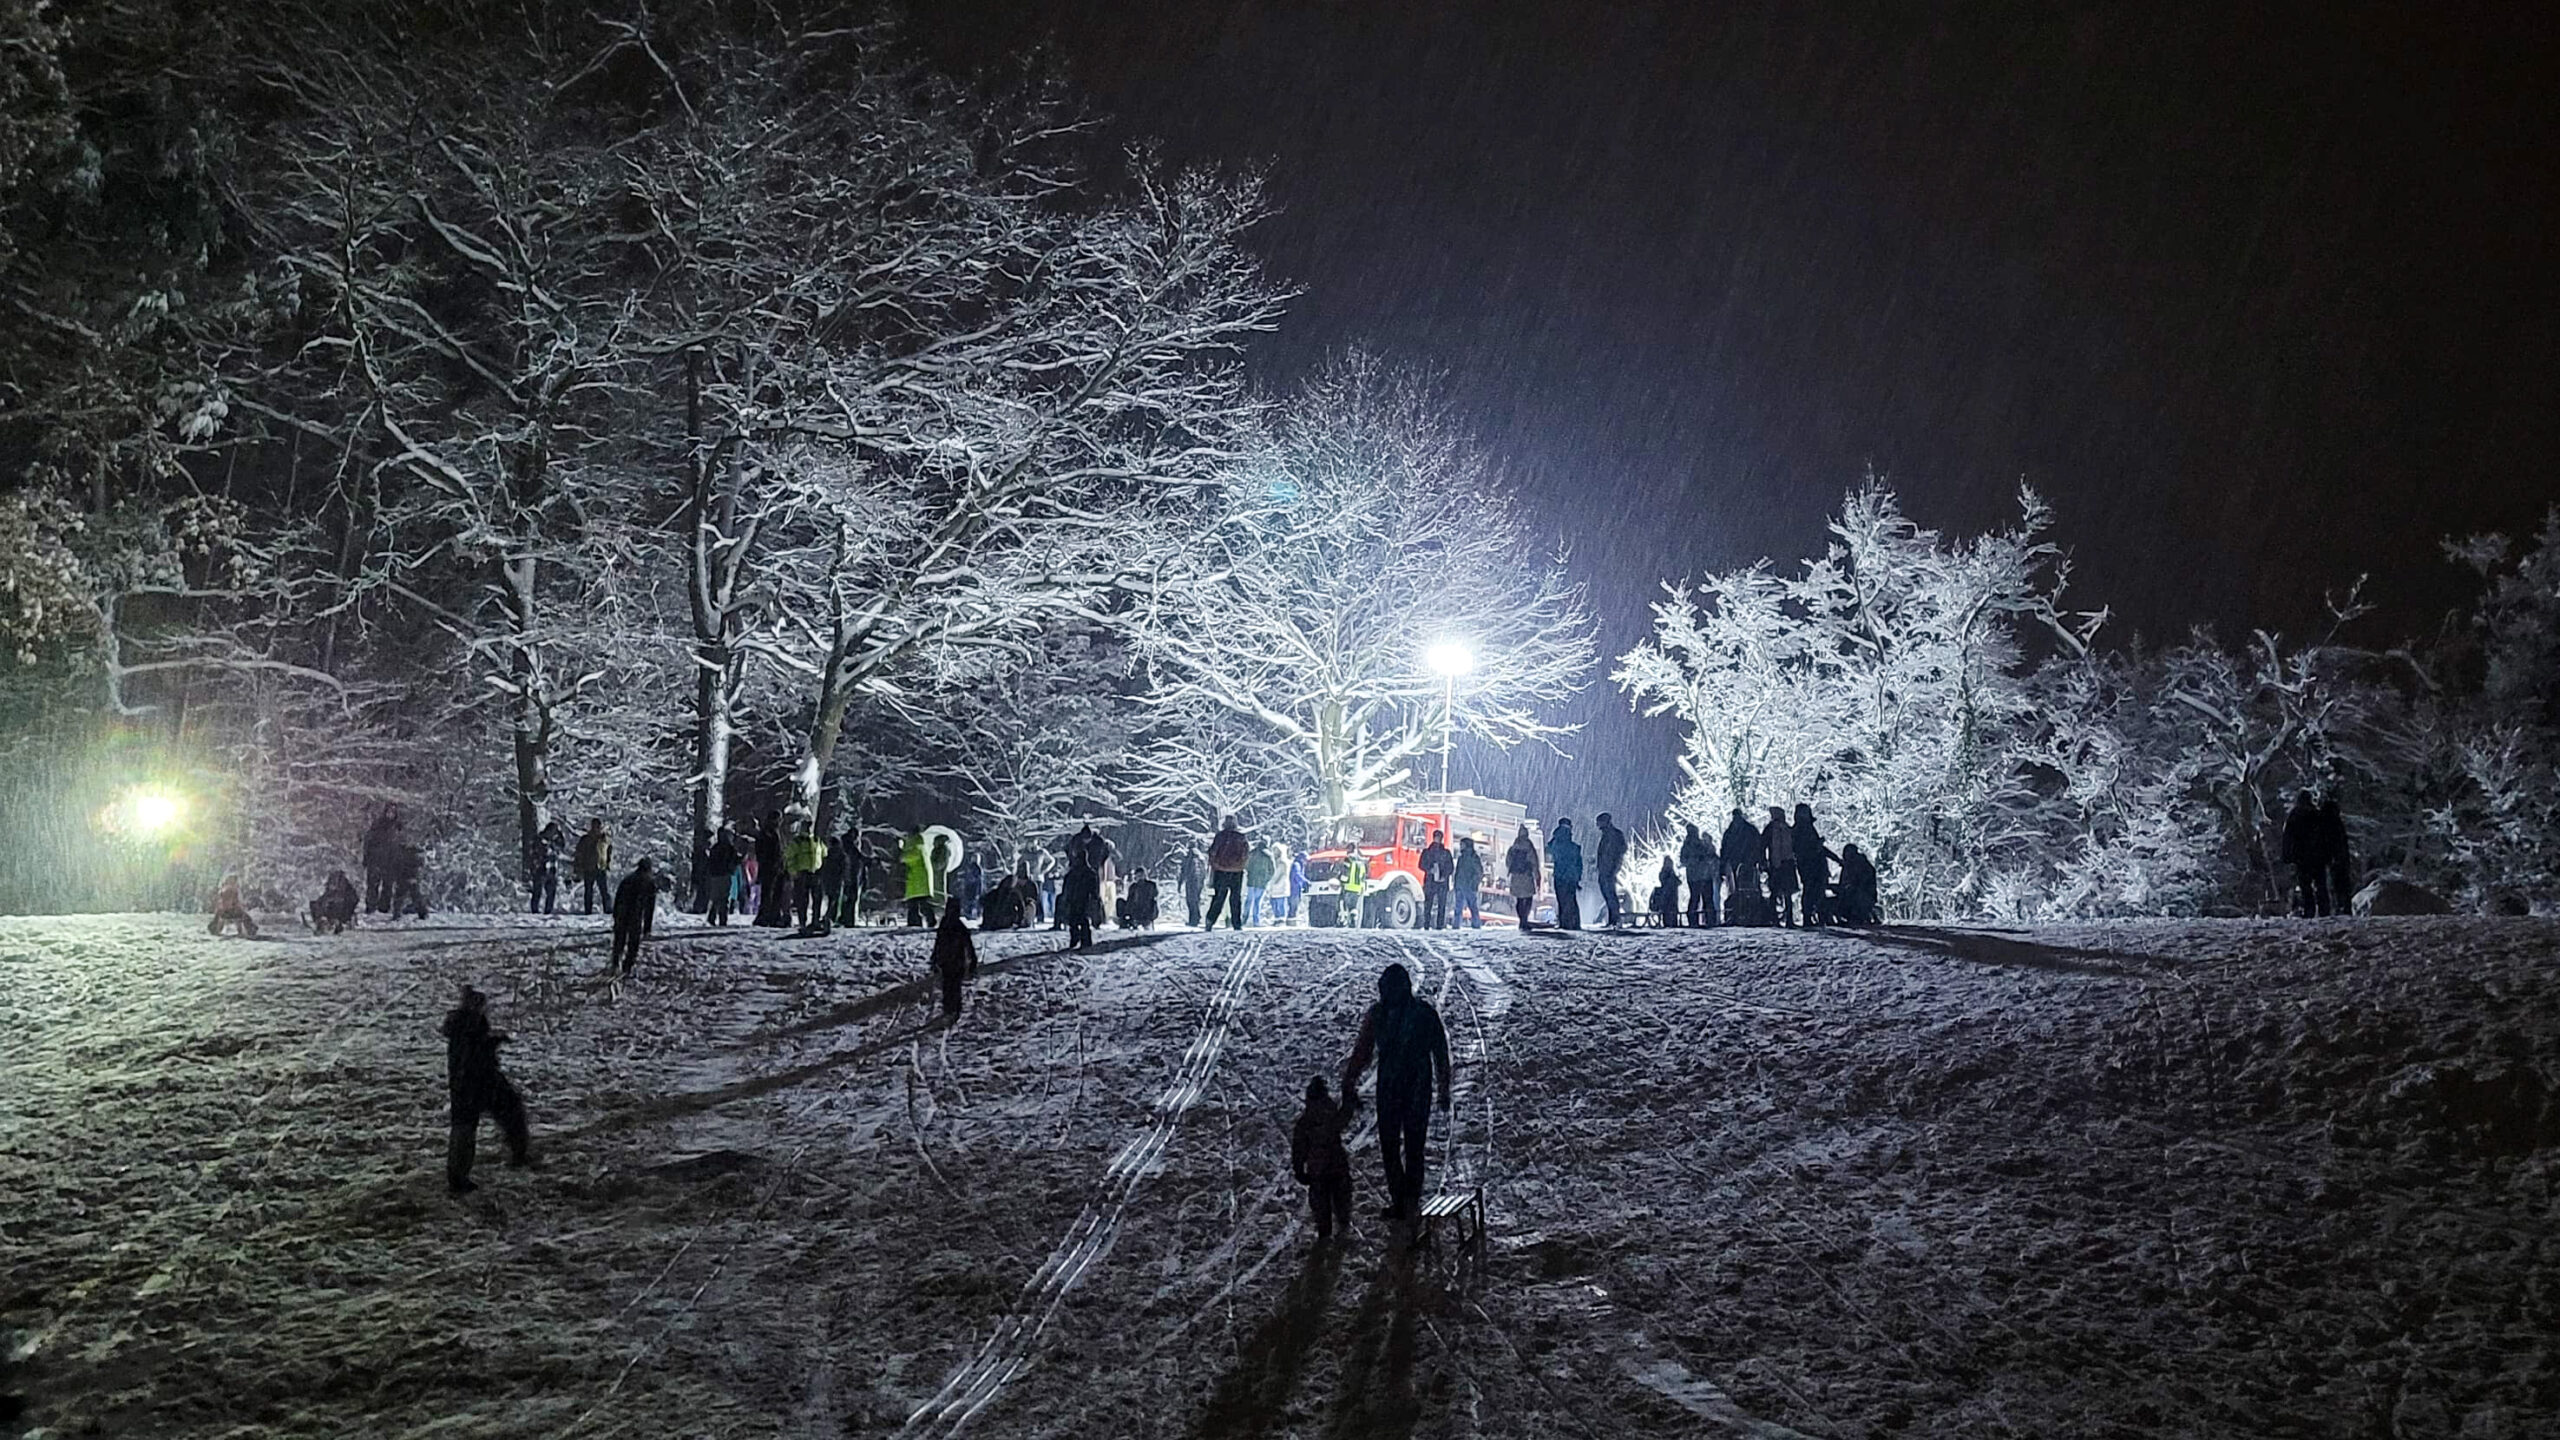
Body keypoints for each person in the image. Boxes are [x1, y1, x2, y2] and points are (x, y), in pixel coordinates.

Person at [1340, 962, 1452, 1226]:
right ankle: (1408, 1200)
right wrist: (1443, 1087)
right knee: (1411, 1147)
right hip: (1415, 1087)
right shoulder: (1423, 1013)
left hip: (1393, 1086)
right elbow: (1440, 1053)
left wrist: (1350, 1079)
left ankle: (1403, 1201)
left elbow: (1363, 1051)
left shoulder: (1380, 1014)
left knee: (1394, 1147)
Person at [442, 985, 529, 1194]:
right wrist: (493, 1042)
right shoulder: (471, 1024)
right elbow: (475, 1054)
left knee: (464, 1130)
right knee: (504, 1114)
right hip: (478, 1082)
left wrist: (492, 1041)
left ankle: (458, 1177)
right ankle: (459, 1179)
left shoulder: (461, 1024)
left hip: (467, 1085)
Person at [1291, 1077, 1359, 1242]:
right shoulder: (1331, 1116)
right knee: (1340, 1200)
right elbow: (1344, 1117)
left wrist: (1299, 1170)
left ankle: (1326, 1232)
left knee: (1323, 1204)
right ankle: (1340, 1228)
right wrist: (1349, 1100)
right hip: (1335, 1166)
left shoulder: (1305, 1124)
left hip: (1319, 1169)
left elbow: (1299, 1149)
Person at [2279, 789, 2330, 917]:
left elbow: (2288, 837)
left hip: (2301, 857)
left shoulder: (2294, 815)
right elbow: (2326, 836)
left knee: (2305, 885)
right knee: (2321, 884)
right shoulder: (2317, 815)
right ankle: (2324, 910)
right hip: (2318, 856)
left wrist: (2287, 856)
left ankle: (2309, 910)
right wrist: (2328, 854)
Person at [932, 896, 977, 1020]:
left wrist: (935, 958)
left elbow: (938, 943)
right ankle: (954, 1009)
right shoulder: (959, 925)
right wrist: (973, 960)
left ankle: (949, 1008)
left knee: (948, 985)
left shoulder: (945, 924)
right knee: (954, 986)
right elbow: (968, 945)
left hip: (947, 960)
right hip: (956, 961)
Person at [611, 858, 658, 974]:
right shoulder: (650, 883)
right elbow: (649, 908)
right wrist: (647, 928)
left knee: (619, 940)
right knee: (633, 943)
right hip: (635, 914)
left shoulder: (627, 879)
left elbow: (617, 898)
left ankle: (615, 963)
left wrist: (615, 916)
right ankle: (627, 966)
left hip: (622, 912)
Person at [1793, 804, 1836, 927]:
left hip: (1815, 865)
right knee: (1811, 890)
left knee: (1816, 890)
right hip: (1809, 865)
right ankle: (1809, 916)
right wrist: (1817, 846)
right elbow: (1804, 849)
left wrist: (1834, 858)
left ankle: (1818, 916)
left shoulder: (1808, 828)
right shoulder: (1800, 830)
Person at [1721, 808, 1764, 926]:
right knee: (1738, 890)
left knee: (1748, 889)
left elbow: (1758, 846)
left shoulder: (1734, 831)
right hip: (1738, 863)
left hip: (1747, 863)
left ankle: (1750, 914)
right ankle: (1739, 914)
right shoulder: (1737, 831)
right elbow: (1725, 849)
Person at [1204, 817, 1250, 929]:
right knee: (1235, 898)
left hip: (1221, 870)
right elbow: (1246, 854)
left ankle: (1210, 920)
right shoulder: (1241, 837)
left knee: (1219, 898)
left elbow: (1213, 852)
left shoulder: (1220, 836)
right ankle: (1236, 923)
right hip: (1237, 871)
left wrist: (1214, 865)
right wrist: (1241, 865)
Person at [784, 822, 827, 930]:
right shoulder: (797, 842)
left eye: (810, 827)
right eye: (806, 827)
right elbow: (789, 857)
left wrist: (822, 869)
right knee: (802, 899)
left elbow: (824, 854)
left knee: (817, 898)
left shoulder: (817, 840)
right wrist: (793, 871)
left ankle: (815, 921)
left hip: (815, 873)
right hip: (802, 873)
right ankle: (802, 922)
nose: (808, 829)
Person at [1763, 807, 1799, 927]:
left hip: (1780, 864)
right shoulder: (1783, 828)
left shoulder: (1774, 829)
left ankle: (1781, 919)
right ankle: (1783, 919)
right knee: (1782, 892)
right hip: (1783, 864)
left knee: (1781, 892)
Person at [362, 806, 402, 913]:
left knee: (388, 885)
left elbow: (400, 845)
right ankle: (371, 906)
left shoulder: (398, 827)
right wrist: (366, 857)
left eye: (393, 812)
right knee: (373, 884)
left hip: (391, 860)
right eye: (389, 812)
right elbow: (368, 841)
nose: (390, 815)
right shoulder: (377, 825)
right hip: (376, 859)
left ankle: (384, 907)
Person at [1546, 819, 1584, 931]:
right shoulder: (1574, 848)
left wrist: (1555, 835)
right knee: (1571, 900)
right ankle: (1574, 923)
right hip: (1571, 877)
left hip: (1560, 876)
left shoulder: (1557, 843)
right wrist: (1577, 877)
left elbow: (1549, 848)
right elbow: (1579, 864)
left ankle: (1564, 922)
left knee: (1562, 900)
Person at [1060, 850, 1101, 950]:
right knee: (1081, 920)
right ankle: (1084, 940)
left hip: (1079, 899)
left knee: (1078, 920)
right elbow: (1094, 888)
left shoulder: (1074, 873)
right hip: (1081, 899)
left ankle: (1079, 939)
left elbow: (1067, 886)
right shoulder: (1089, 873)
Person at [2321, 794, 2354, 916]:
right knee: (2343, 885)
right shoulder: (2337, 823)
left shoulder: (2324, 824)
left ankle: (2338, 906)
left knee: (2334, 884)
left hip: (2332, 859)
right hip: (2341, 858)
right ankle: (2344, 907)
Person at [1593, 813, 1628, 928]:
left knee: (1610, 895)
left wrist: (1613, 867)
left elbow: (1620, 851)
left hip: (1609, 869)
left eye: (1599, 822)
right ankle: (1613, 919)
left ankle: (1615, 920)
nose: (1598, 825)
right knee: (1608, 895)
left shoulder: (1613, 835)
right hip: (1605, 869)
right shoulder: (1609, 834)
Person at [1679, 822, 1717, 927]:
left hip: (1695, 877)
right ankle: (1709, 920)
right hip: (1702, 876)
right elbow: (1708, 857)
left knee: (1697, 899)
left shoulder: (1687, 846)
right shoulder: (1697, 845)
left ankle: (1696, 921)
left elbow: (1683, 860)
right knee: (1705, 899)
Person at [574, 819, 613, 916]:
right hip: (589, 867)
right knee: (588, 891)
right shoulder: (586, 839)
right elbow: (579, 853)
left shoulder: (604, 839)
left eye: (598, 826)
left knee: (604, 890)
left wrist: (608, 863)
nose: (596, 828)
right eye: (595, 826)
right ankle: (588, 911)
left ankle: (607, 909)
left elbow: (609, 851)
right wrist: (578, 867)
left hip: (601, 867)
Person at [703, 826, 740, 926]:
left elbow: (710, 862)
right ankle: (722, 918)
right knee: (724, 897)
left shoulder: (715, 848)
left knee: (715, 897)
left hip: (715, 875)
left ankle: (712, 916)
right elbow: (735, 860)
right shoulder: (729, 848)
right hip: (725, 875)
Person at [1505, 824, 1540, 929]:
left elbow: (1508, 862)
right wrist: (1537, 876)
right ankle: (1525, 919)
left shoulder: (1513, 847)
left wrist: (1513, 871)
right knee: (1528, 898)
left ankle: (1521, 919)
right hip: (1527, 876)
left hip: (1516, 877)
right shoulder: (1529, 847)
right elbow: (1534, 862)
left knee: (1519, 900)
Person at [526, 819, 564, 915]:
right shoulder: (539, 839)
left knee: (551, 892)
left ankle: (548, 910)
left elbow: (562, 845)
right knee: (537, 891)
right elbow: (534, 853)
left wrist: (559, 834)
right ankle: (535, 910)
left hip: (552, 869)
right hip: (540, 868)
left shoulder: (555, 842)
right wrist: (535, 865)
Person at [753, 814, 785, 926]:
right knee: (768, 892)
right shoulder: (766, 833)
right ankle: (765, 916)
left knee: (777, 892)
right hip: (770, 867)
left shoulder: (777, 832)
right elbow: (763, 851)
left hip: (777, 867)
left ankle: (774, 915)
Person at [1418, 829, 1454, 930]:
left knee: (1441, 905)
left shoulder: (1446, 853)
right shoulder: (1427, 852)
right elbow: (1421, 864)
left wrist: (1444, 876)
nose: (1437, 839)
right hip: (1430, 882)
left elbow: (1450, 868)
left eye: (1439, 837)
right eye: (1436, 837)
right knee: (1428, 904)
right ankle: (1426, 924)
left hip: (1441, 883)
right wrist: (1430, 870)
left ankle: (1439, 925)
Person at [1836, 844, 1880, 924]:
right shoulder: (1848, 866)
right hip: (1855, 896)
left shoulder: (1862, 866)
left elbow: (1861, 885)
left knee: (1853, 896)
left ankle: (1862, 915)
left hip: (1863, 897)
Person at [900, 826, 934, 927]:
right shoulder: (922, 845)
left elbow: (905, 857)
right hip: (918, 880)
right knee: (919, 903)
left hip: (917, 880)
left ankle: (916, 922)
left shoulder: (917, 846)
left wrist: (901, 850)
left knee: (916, 903)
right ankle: (925, 921)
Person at [208, 873, 260, 937]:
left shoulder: (223, 889)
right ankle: (250, 931)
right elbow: (233, 903)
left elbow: (220, 903)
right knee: (245, 916)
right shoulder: (233, 890)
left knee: (222, 915)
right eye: (235, 880)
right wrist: (240, 907)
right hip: (230, 911)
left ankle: (216, 929)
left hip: (224, 911)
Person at [309, 869, 359, 934]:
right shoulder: (326, 898)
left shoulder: (347, 896)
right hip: (334, 913)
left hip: (340, 913)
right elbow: (317, 905)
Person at [387, 842, 430, 919]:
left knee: (402, 896)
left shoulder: (402, 855)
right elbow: (419, 868)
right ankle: (422, 913)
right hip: (409, 878)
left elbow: (396, 867)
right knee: (415, 896)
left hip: (405, 878)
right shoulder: (416, 856)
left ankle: (397, 913)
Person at [1453, 836, 1485, 928]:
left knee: (1470, 907)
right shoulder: (1463, 857)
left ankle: (1473, 924)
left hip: (1468, 886)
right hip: (1462, 886)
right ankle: (1459, 925)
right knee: (1462, 907)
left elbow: (1478, 873)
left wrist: (1473, 883)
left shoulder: (1472, 858)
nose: (1460, 846)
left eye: (1462, 844)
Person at [1244, 842, 1276, 928]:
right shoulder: (1268, 855)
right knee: (1257, 902)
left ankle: (1244, 918)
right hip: (1262, 882)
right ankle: (1256, 920)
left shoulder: (1251, 853)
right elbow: (1272, 870)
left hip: (1251, 881)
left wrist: (1250, 873)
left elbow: (1246, 865)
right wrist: (1266, 879)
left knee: (1248, 900)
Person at [1340, 847, 1368, 928]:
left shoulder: (1348, 860)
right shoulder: (1362, 863)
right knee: (1353, 907)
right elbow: (1363, 876)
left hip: (1348, 887)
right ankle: (1353, 921)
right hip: (1357, 888)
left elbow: (1345, 873)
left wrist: (1341, 882)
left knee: (1344, 904)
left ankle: (1343, 921)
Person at [1178, 845, 1205, 928]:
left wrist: (1180, 883)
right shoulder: (1201, 858)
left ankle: (1193, 920)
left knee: (1191, 901)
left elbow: (1184, 871)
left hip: (1191, 881)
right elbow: (1204, 871)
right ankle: (1197, 917)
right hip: (1199, 882)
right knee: (1196, 900)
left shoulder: (1189, 858)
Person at [1651, 856, 1681, 928]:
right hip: (1667, 897)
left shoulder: (1670, 873)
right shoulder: (1666, 873)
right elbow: (1671, 883)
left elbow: (1677, 882)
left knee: (1671, 913)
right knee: (1668, 913)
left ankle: (1671, 924)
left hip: (1671, 897)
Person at [955, 853, 984, 922]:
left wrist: (978, 890)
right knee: (968, 901)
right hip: (968, 887)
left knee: (972, 902)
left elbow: (978, 880)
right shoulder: (970, 867)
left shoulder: (977, 868)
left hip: (974, 888)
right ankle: (967, 914)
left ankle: (971, 915)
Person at [1287, 848, 1308, 924]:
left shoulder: (1299, 865)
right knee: (1293, 906)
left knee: (1294, 906)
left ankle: (1292, 921)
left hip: (1297, 889)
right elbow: (1297, 875)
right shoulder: (1297, 865)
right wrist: (1306, 881)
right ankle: (1291, 922)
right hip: (1294, 889)